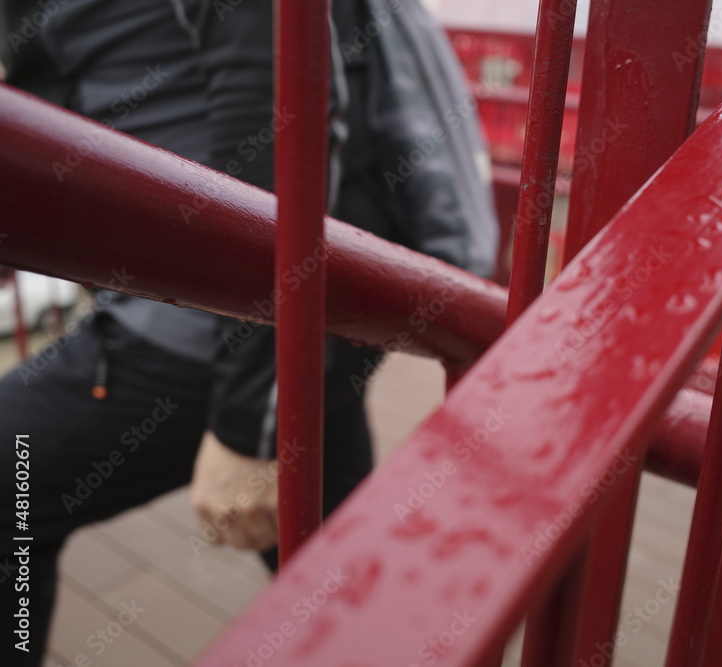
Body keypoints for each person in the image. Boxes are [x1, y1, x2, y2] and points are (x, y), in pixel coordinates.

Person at [0, 0, 497, 663]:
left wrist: (255, 418)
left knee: (13, 485)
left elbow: (278, 99)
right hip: (299, 301)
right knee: (324, 554)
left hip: (213, 321)